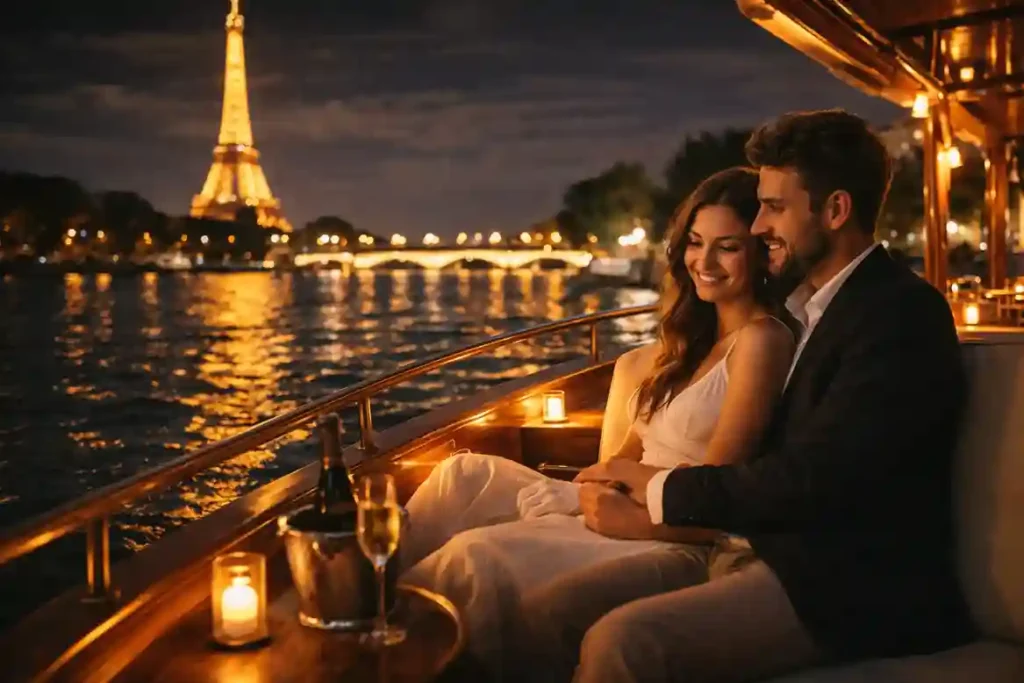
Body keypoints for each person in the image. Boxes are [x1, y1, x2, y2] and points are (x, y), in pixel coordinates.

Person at [524, 108, 976, 683]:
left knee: (623, 643)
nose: (759, 226)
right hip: (758, 550)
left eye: (775, 207)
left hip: (845, 589)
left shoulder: (899, 314)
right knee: (548, 613)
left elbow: (819, 477)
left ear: (836, 210)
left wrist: (659, 487)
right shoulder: (803, 310)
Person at [399, 167, 798, 677]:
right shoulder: (691, 341)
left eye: (728, 247)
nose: (704, 261)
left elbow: (713, 496)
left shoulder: (760, 341)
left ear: (761, 254)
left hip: (668, 533)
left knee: (477, 558)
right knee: (463, 474)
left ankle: (392, 651)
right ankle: (377, 611)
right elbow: (626, 455)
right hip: (621, 500)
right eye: (696, 243)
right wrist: (587, 491)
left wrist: (603, 506)